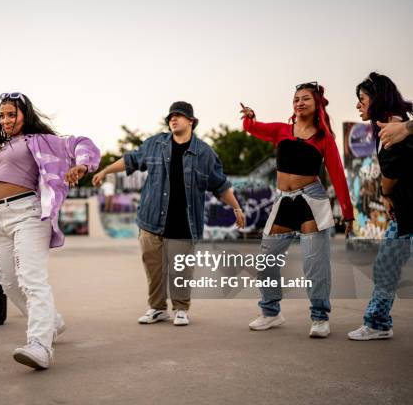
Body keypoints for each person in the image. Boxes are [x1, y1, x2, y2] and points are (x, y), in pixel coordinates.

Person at [0, 92, 100, 369]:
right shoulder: (1, 148)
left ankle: (40, 345)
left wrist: (82, 165)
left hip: (29, 214)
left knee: (31, 279)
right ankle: (52, 323)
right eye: (3, 115)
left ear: (25, 115)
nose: (7, 120)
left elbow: (82, 143)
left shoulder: (41, 140)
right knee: (9, 282)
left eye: (12, 114)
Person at [93, 101, 245, 326]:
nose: (173, 119)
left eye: (179, 116)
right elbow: (131, 160)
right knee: (154, 269)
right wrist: (105, 170)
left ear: (191, 121)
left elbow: (220, 185)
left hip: (184, 223)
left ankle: (181, 309)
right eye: (171, 116)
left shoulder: (204, 153)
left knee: (180, 270)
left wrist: (236, 208)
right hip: (151, 219)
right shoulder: (155, 144)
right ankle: (157, 308)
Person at [240, 82, 354, 338]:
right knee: (266, 259)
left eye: (305, 99)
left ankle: (320, 317)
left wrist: (347, 213)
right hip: (284, 201)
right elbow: (253, 128)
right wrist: (249, 118)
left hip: (311, 201)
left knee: (315, 265)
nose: (299, 103)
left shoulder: (324, 138)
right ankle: (270, 312)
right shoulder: (282, 130)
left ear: (317, 105)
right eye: (296, 99)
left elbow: (337, 175)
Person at [348, 72, 413, 340]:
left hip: (406, 213)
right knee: (386, 267)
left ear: (376, 99)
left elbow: (390, 176)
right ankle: (378, 323)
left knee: (386, 269)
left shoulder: (392, 129)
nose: (358, 105)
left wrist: (386, 193)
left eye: (361, 99)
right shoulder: (396, 124)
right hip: (403, 212)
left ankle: (377, 323)